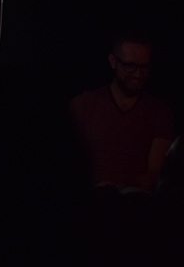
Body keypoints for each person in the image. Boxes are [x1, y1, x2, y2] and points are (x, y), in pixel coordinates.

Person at [69, 30, 174, 193]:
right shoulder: (84, 104)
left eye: (144, 67)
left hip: (134, 204)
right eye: (130, 66)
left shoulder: (158, 112)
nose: (138, 74)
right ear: (113, 61)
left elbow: (154, 172)